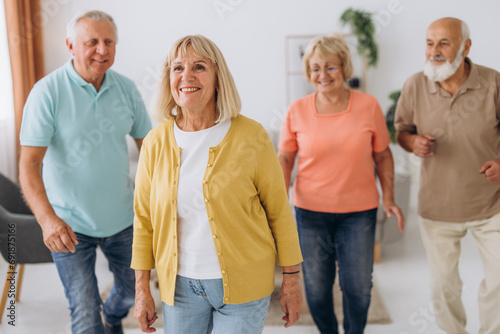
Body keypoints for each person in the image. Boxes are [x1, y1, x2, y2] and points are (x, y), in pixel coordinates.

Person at [131, 34, 303, 334]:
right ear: (169, 79)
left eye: (199, 66)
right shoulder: (155, 142)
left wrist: (291, 279)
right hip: (179, 288)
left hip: (246, 284)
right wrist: (142, 288)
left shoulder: (252, 136)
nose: (187, 76)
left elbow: (279, 212)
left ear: (218, 78)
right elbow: (143, 221)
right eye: (177, 68)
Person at [18, 10, 152, 334]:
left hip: (123, 220)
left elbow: (150, 151)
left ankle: (111, 316)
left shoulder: (127, 90)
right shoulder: (46, 92)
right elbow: (29, 166)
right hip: (68, 225)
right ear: (71, 45)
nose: (102, 50)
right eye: (92, 42)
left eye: (109, 42)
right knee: (85, 315)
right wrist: (47, 220)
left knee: (132, 295)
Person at [278, 34, 405, 334]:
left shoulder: (368, 106)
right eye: (316, 68)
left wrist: (389, 198)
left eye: (331, 67)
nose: (323, 75)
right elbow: (284, 159)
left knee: (357, 286)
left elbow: (383, 156)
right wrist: (279, 204)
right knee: (317, 287)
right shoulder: (297, 110)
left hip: (358, 212)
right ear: (309, 72)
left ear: (345, 69)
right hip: (310, 213)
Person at [395, 17, 500, 334]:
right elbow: (402, 131)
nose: (434, 51)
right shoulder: (415, 84)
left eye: (444, 43)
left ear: (466, 46)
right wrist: (413, 142)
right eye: (429, 43)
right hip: (438, 207)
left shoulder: (494, 82)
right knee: (444, 286)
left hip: (491, 205)